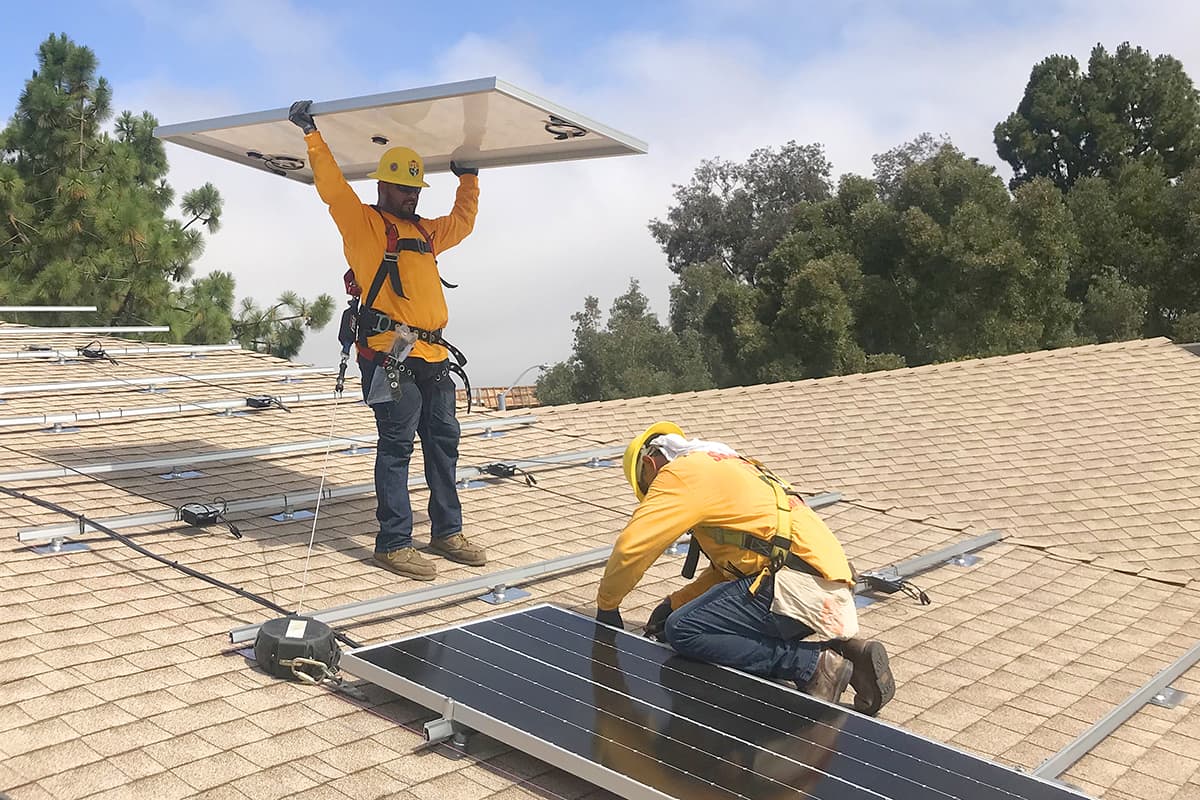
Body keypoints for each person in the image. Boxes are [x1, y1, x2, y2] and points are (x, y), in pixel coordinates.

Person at [288, 99, 486, 581]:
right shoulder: (366, 226)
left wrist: (469, 178)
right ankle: (393, 542)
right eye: (402, 187)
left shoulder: (424, 231)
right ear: (383, 186)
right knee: (396, 445)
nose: (411, 195)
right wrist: (312, 135)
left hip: (432, 352)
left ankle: (446, 532)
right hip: (388, 355)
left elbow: (462, 223)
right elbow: (334, 191)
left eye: (415, 188)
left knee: (444, 443)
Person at [595, 421, 895, 715]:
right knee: (706, 624)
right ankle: (845, 654)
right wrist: (673, 603)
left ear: (650, 464)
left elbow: (633, 546)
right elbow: (732, 573)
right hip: (822, 586)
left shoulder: (680, 475)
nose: (651, 495)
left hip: (792, 586)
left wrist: (608, 605)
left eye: (646, 488)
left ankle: (813, 665)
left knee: (684, 630)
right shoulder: (725, 466)